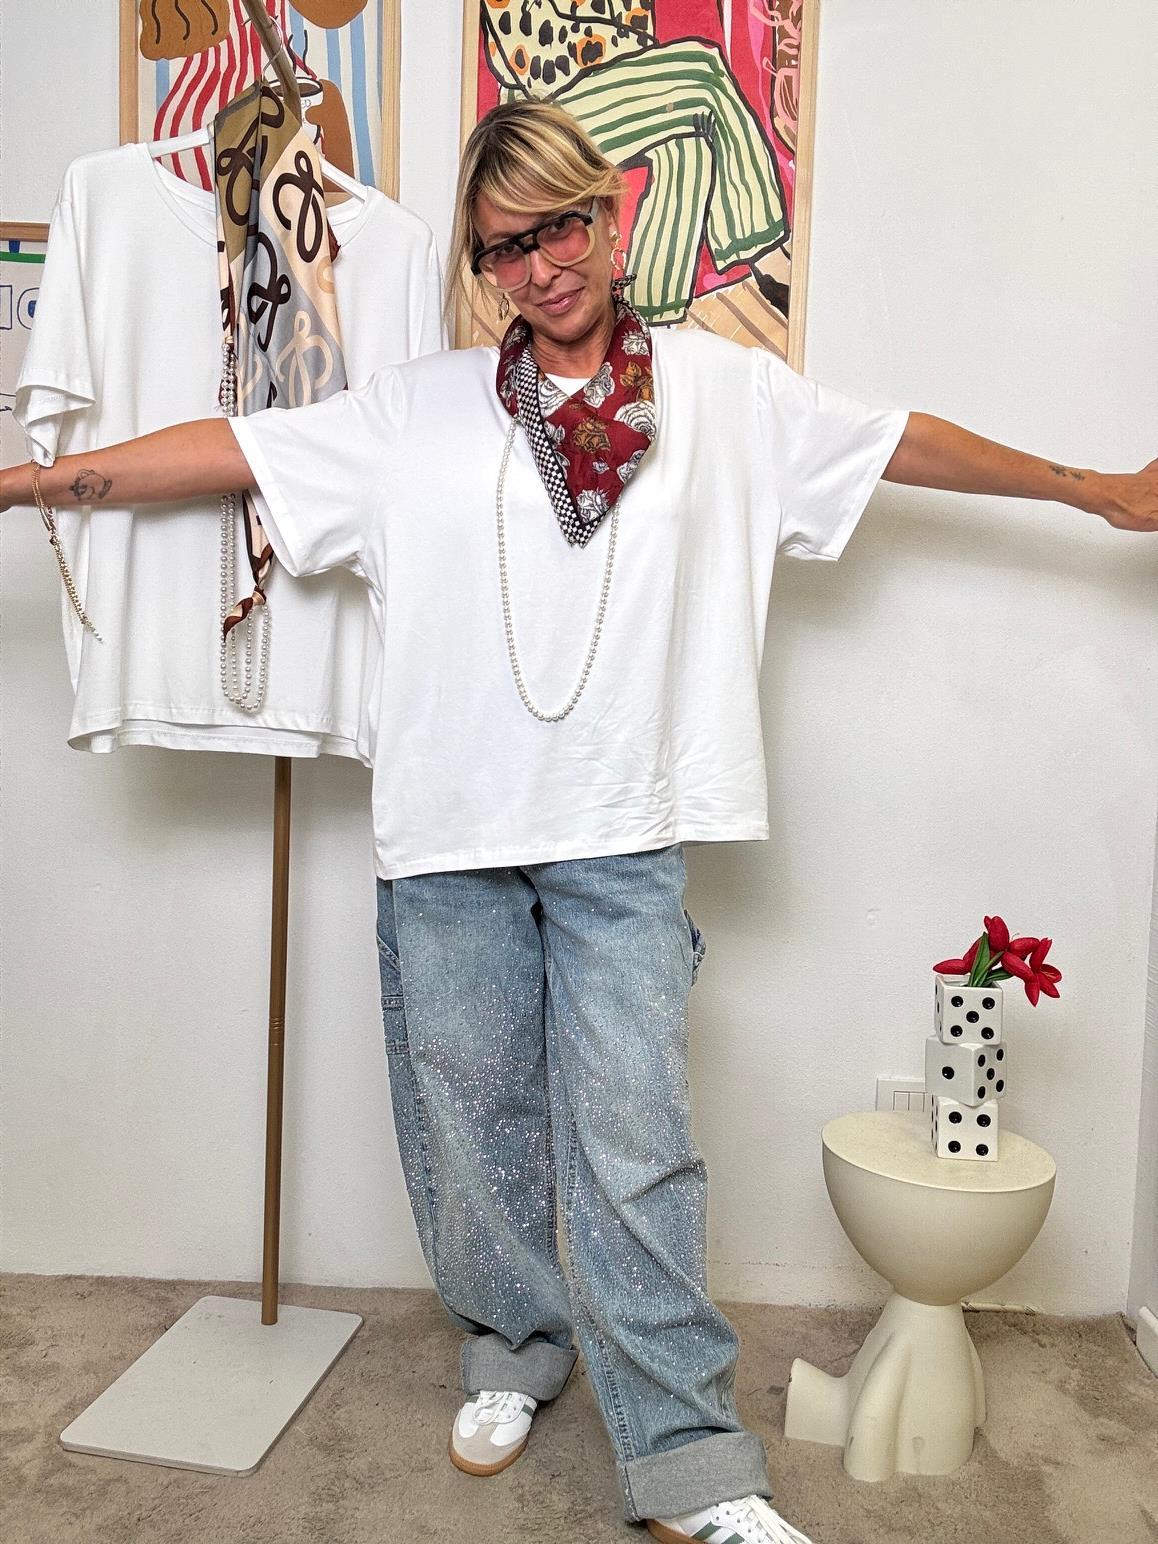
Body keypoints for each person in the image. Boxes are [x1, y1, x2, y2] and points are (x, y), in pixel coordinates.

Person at [3, 100, 1156, 1544]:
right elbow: (233, 450)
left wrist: (1092, 491)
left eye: (558, 229)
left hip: (623, 829)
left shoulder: (725, 397)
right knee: (470, 1133)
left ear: (612, 215)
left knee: (636, 1147)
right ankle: (513, 1345)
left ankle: (692, 1465)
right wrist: (30, 479)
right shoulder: (415, 408)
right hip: (447, 835)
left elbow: (896, 444)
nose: (538, 269)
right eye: (503, 249)